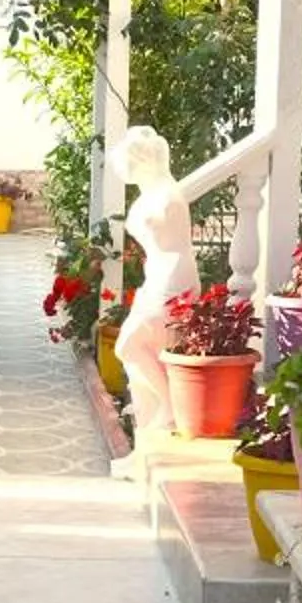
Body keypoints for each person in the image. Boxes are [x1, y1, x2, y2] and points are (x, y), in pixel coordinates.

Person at [110, 127, 197, 455]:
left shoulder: (167, 196)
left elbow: (168, 240)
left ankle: (171, 408)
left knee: (129, 345)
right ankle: (153, 425)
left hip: (173, 278)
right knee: (137, 349)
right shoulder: (154, 192)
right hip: (157, 276)